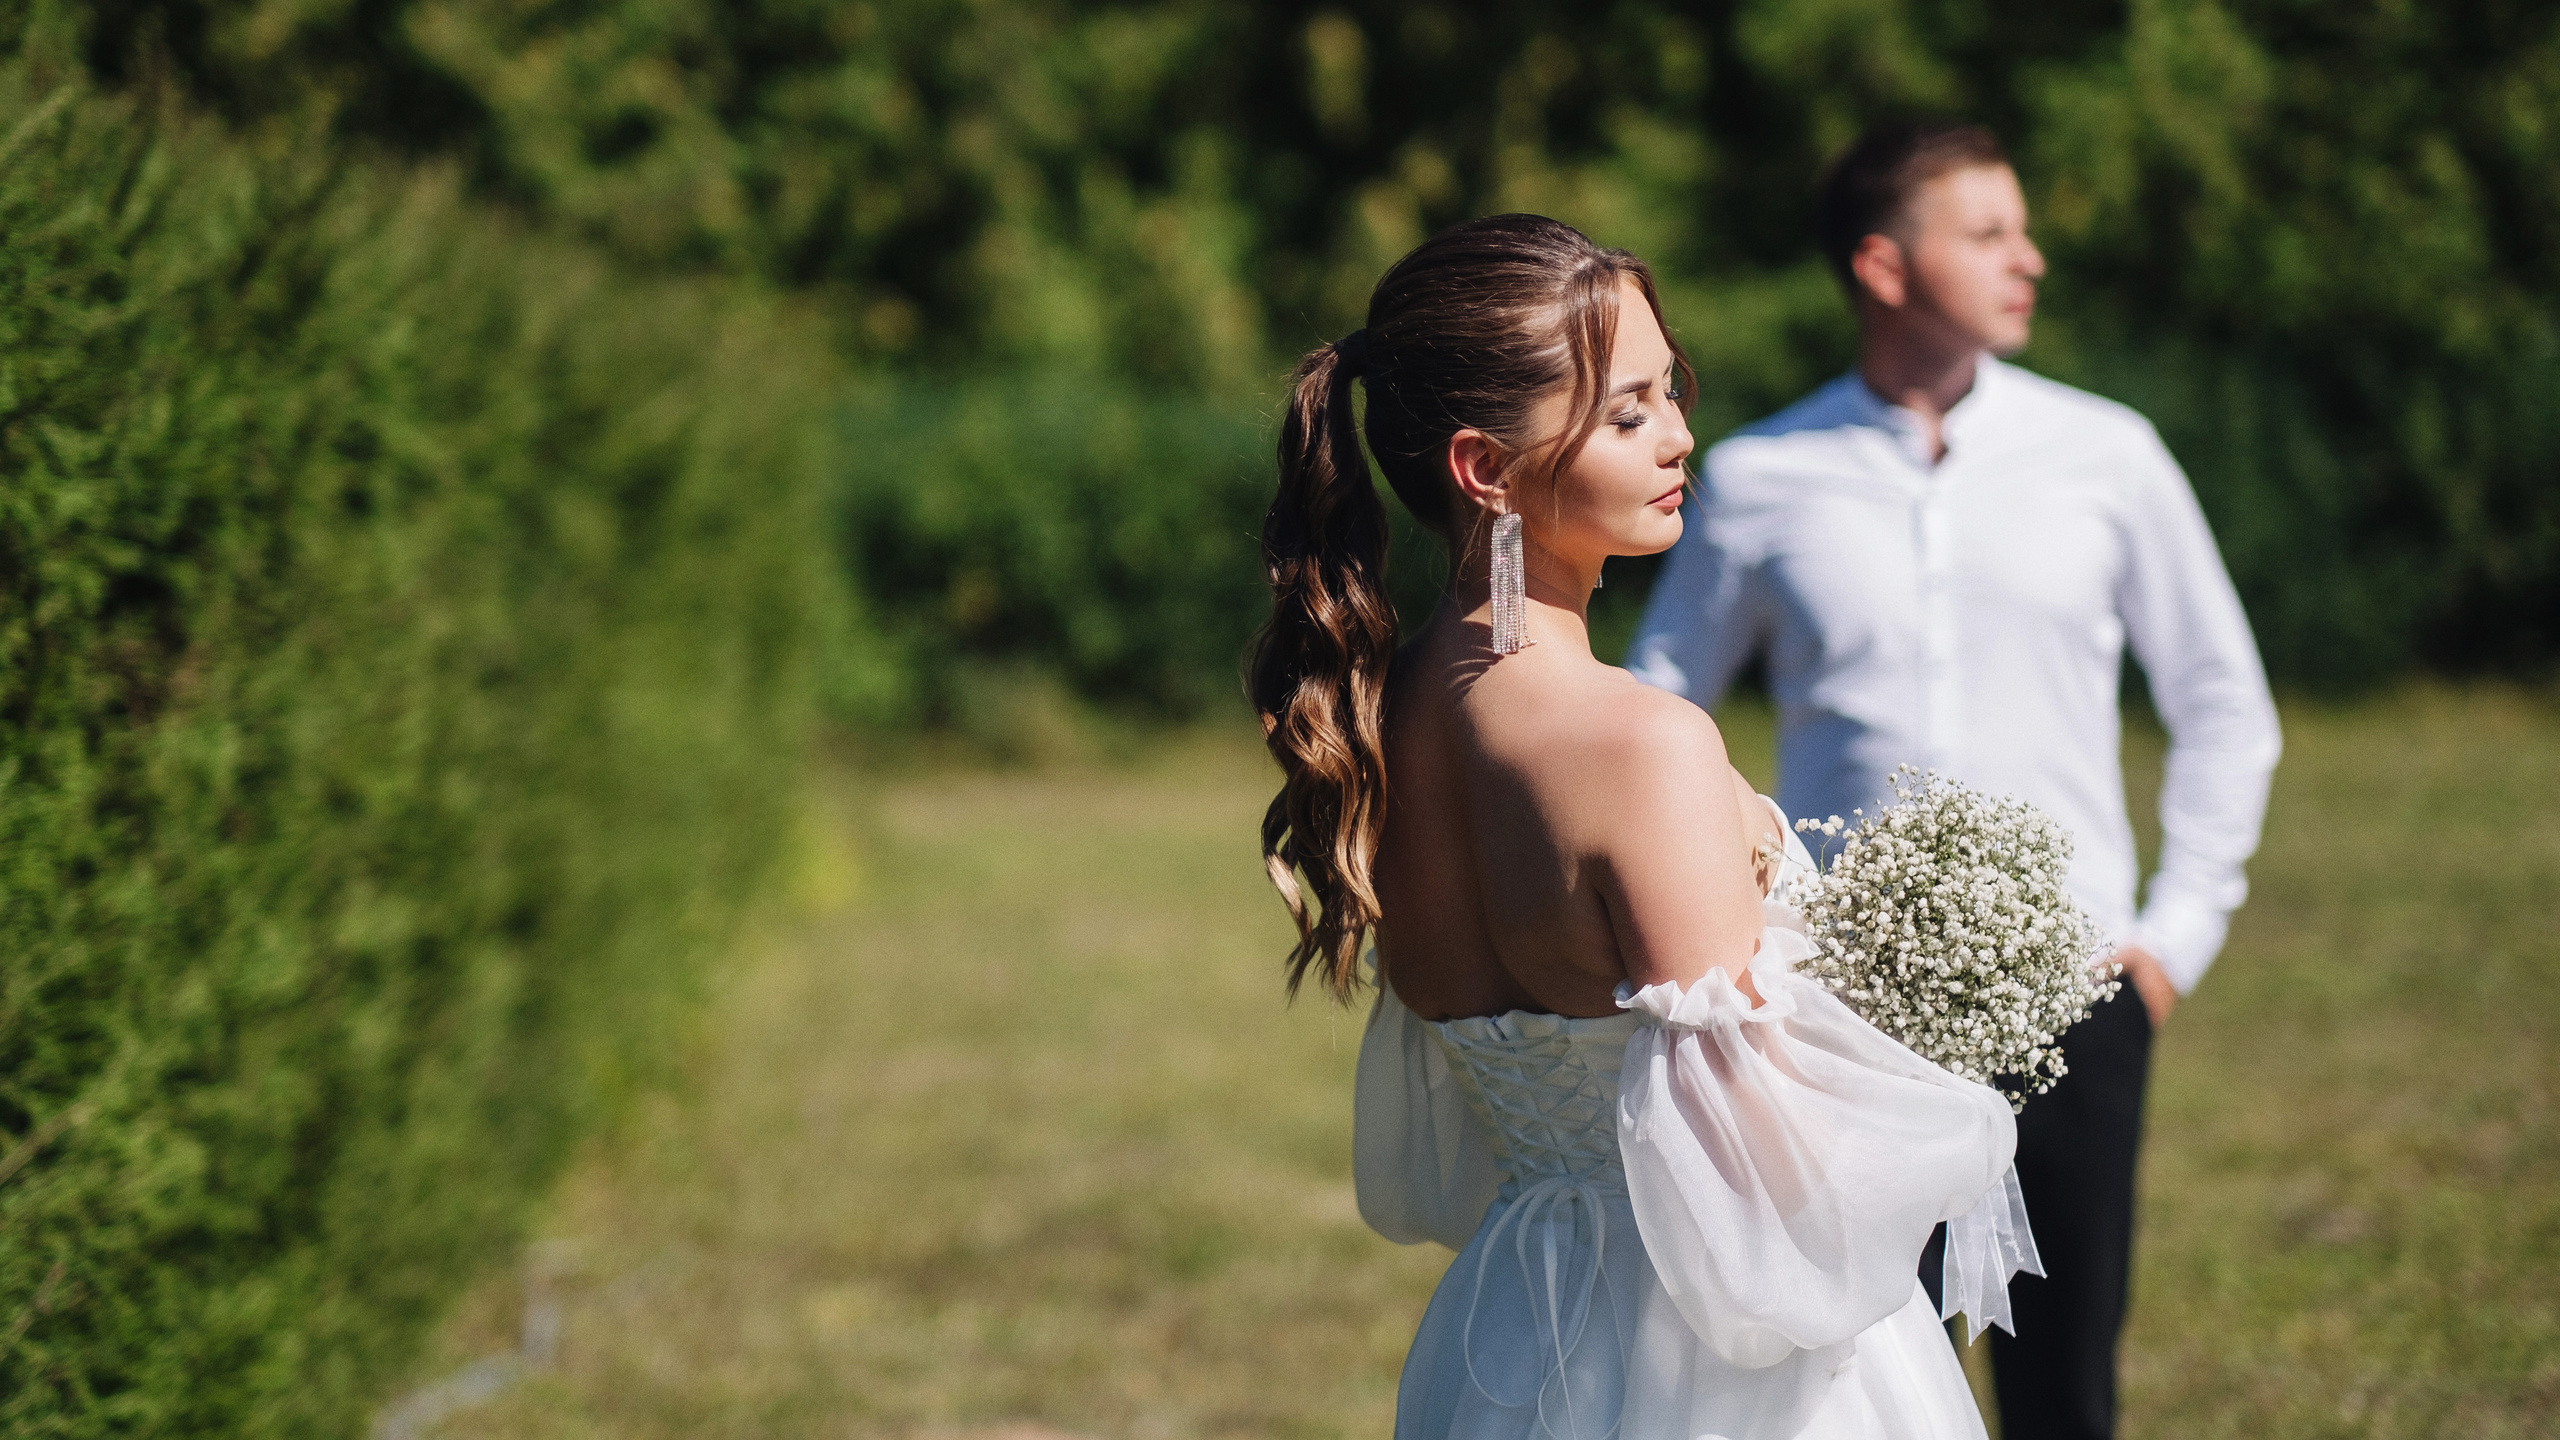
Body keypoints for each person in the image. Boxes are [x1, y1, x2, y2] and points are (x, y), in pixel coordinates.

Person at [1250, 213, 2037, 1440]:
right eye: (1626, 414)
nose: (1679, 438)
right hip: (1714, 1365)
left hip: (1510, 1327)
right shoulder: (1643, 745)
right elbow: (1756, 1177)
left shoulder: (1368, 720)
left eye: (1671, 393)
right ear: (1483, 469)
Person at [1626, 122, 2284, 1440]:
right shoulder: (1758, 479)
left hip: (2080, 994)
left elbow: (2224, 703)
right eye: (1987, 232)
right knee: (1861, 1375)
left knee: (2064, 1384)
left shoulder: (2111, 458)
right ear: (1882, 263)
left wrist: (2170, 943)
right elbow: (1656, 714)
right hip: (1840, 1018)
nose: (2026, 258)